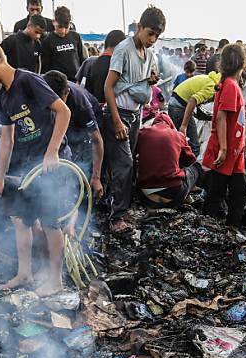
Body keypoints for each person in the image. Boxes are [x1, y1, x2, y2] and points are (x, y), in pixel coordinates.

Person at [0, 35, 72, 296]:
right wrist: (0, 176)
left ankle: (56, 280)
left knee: (50, 223)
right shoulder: (3, 98)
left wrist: (53, 151)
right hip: (29, 168)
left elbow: (63, 112)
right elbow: (7, 140)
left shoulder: (28, 80)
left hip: (52, 164)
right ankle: (25, 273)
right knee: (20, 219)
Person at [103, 7, 165, 235]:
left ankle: (123, 208)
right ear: (139, 27)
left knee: (130, 164)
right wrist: (117, 122)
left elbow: (139, 83)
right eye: (150, 33)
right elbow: (108, 87)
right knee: (124, 165)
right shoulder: (123, 49)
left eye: (157, 36)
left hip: (135, 114)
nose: (153, 40)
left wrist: (150, 80)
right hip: (118, 114)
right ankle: (116, 217)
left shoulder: (148, 55)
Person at [202, 44, 246, 227]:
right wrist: (223, 148)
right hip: (228, 149)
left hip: (234, 150)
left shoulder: (230, 83)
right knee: (220, 192)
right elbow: (222, 116)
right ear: (242, 64)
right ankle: (209, 227)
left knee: (235, 192)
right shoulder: (230, 85)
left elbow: (231, 113)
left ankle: (230, 228)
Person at [43, 70, 105, 197]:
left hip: (85, 121)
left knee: (82, 162)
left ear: (67, 93)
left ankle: (83, 193)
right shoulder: (40, 89)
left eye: (62, 100)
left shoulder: (80, 104)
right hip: (68, 124)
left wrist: (96, 177)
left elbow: (96, 140)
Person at [135, 112, 203, 208]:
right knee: (197, 167)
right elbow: (190, 160)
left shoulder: (142, 133)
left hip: (145, 196)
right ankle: (190, 191)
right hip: (174, 195)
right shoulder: (178, 135)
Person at [168, 70, 220, 157]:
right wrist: (184, 126)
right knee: (194, 146)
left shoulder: (209, 79)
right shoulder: (213, 88)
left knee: (181, 144)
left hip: (176, 103)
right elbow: (192, 100)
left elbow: (197, 103)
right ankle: (188, 168)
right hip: (179, 107)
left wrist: (208, 116)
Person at [41, 6, 87, 82]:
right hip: (57, 82)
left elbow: (82, 59)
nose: (63, 31)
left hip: (75, 80)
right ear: (54, 22)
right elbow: (45, 66)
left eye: (66, 27)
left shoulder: (76, 36)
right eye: (60, 27)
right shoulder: (47, 41)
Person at [82, 30, 125, 105]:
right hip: (114, 109)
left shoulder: (92, 63)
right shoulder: (118, 65)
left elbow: (87, 91)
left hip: (95, 109)